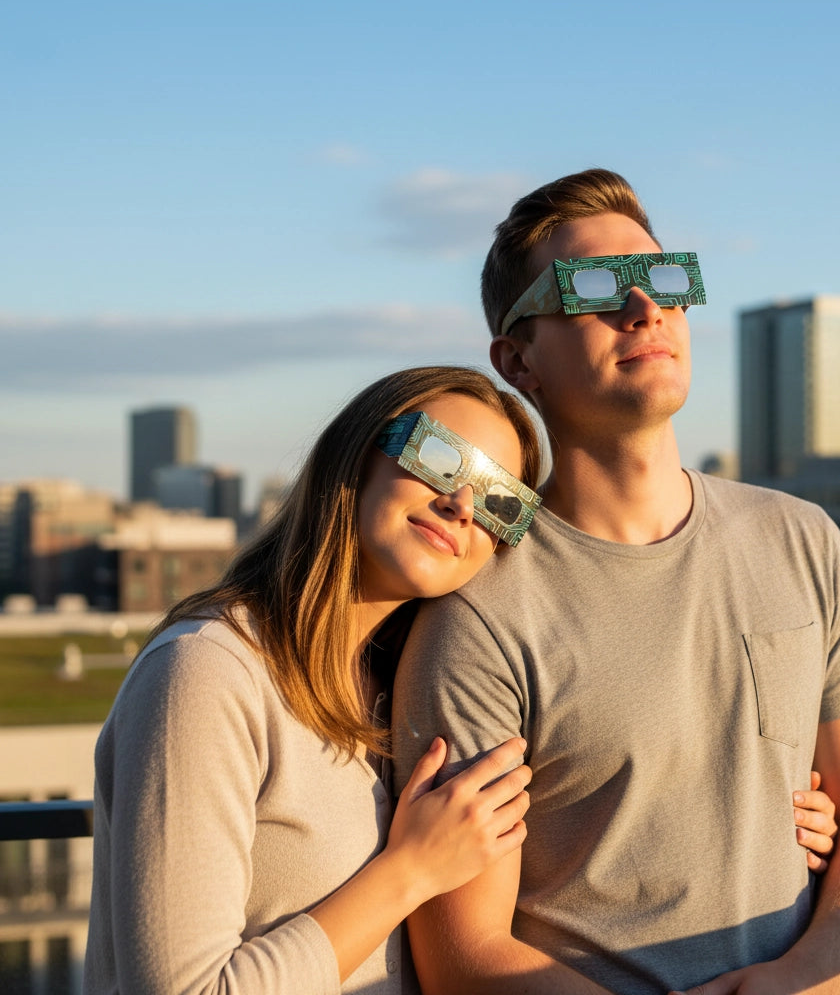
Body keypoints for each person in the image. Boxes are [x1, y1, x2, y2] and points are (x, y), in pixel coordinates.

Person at [391, 170, 840, 995]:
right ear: (517, 358)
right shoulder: (480, 613)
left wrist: (804, 976)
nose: (646, 308)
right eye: (592, 286)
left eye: (668, 278)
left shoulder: (800, 538)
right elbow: (466, 957)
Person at [83, 366, 544, 994]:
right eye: (439, 458)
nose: (462, 504)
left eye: (501, 501)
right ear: (355, 455)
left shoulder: (404, 688)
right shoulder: (206, 671)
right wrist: (410, 870)